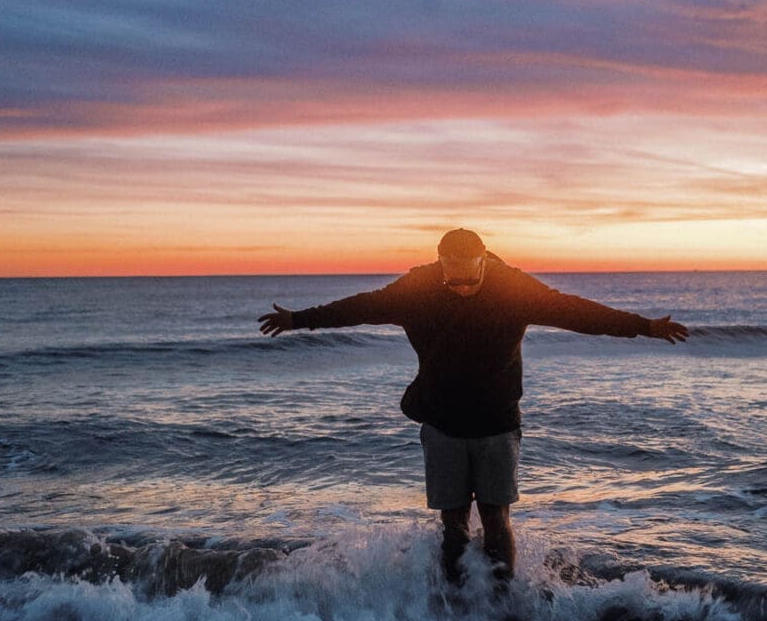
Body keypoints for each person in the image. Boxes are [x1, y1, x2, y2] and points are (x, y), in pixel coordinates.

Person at [258, 229, 688, 592]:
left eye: (470, 279)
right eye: (453, 280)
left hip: (497, 423)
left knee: (497, 521)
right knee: (453, 527)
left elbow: (576, 312)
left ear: (484, 261)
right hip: (442, 421)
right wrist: (300, 319)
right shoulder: (416, 290)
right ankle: (458, 609)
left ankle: (501, 609)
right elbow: (360, 307)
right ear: (441, 265)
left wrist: (643, 326)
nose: (463, 288)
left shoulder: (515, 289)